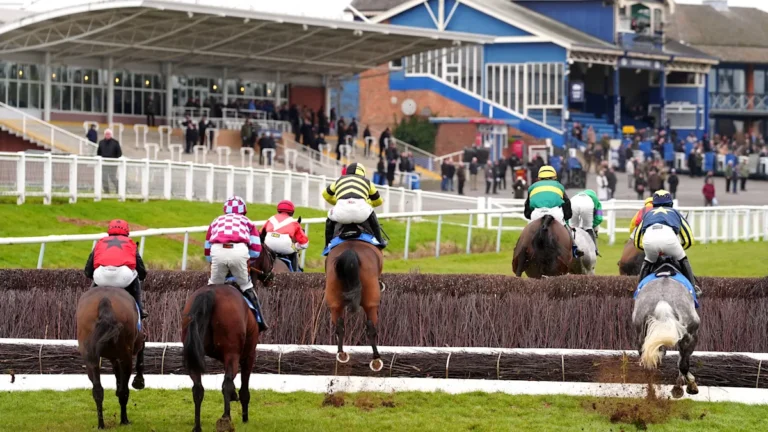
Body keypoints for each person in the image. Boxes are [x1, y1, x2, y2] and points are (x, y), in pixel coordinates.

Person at [204, 196, 267, 332]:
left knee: (213, 287)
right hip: (239, 251)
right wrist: (247, 262)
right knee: (246, 285)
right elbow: (256, 250)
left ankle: (202, 318)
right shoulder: (247, 222)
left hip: (217, 251)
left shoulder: (216, 221)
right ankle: (261, 321)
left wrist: (213, 261)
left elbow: (207, 248)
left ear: (225, 210)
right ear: (243, 211)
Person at [634, 190, 700, 297]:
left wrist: (650, 250)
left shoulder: (647, 214)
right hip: (670, 241)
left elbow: (637, 242)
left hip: (649, 242)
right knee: (683, 258)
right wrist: (678, 250)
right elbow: (689, 239)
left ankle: (639, 290)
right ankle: (693, 289)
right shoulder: (675, 212)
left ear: (653, 204)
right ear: (671, 203)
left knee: (648, 260)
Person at [84, 219, 148, 319]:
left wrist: (91, 275)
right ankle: (140, 308)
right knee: (135, 273)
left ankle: (86, 304)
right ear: (127, 231)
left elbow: (88, 270)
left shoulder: (100, 242)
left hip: (101, 276)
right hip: (123, 278)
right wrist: (142, 276)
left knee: (96, 276)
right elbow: (140, 268)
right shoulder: (130, 243)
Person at [322, 162, 385, 248]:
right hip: (361, 214)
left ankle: (327, 245)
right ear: (363, 172)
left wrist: (338, 202)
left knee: (329, 217)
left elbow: (325, 194)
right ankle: (379, 240)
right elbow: (379, 201)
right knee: (371, 212)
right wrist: (367, 203)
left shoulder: (339, 180)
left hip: (341, 214)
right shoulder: (367, 182)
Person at [261, 200, 309, 272]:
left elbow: (260, 233)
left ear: (278, 210)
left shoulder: (271, 219)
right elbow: (305, 244)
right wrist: (295, 246)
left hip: (268, 246)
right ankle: (295, 273)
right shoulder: (294, 223)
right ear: (292, 212)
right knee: (294, 251)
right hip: (284, 247)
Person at [569, 189, 603, 253]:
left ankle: (569, 247)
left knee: (572, 227)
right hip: (588, 204)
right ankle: (595, 250)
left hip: (573, 202)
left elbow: (568, 218)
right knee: (588, 227)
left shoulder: (576, 195)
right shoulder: (597, 203)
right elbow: (599, 218)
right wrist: (589, 226)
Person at [97, 129, 122, 194]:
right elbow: (98, 153)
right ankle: (106, 191)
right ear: (104, 135)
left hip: (112, 164)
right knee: (104, 177)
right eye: (106, 134)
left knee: (112, 177)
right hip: (104, 163)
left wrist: (114, 160)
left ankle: (118, 190)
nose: (107, 135)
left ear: (111, 135)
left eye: (109, 134)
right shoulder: (101, 142)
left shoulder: (115, 142)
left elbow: (119, 153)